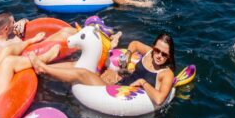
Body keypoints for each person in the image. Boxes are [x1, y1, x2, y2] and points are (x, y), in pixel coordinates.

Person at [31, 33, 176, 110]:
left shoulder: (166, 74)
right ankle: (48, 68)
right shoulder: (150, 53)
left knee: (82, 73)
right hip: (119, 84)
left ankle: (44, 69)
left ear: (169, 56)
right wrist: (128, 54)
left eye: (164, 54)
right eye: (157, 50)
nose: (159, 56)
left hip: (119, 95)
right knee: (85, 69)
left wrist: (142, 82)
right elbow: (135, 44)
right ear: (153, 47)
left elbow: (158, 99)